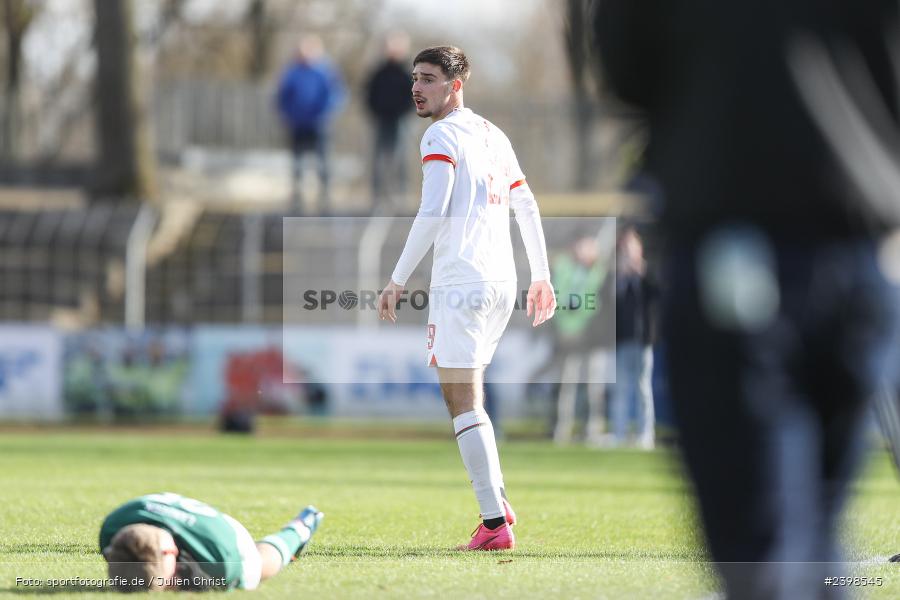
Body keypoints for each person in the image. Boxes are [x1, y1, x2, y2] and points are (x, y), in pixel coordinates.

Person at [596, 1, 900, 598]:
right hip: (864, 247)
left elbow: (627, 68)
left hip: (736, 244)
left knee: (764, 551)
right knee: (812, 538)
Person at [378, 46, 556, 551]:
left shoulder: (441, 134)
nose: (417, 87)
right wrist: (539, 275)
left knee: (461, 400)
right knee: (471, 398)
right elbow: (525, 201)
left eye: (429, 79)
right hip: (500, 283)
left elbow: (432, 211)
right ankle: (496, 501)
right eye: (415, 78)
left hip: (462, 283)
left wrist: (396, 279)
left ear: (455, 86)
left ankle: (494, 523)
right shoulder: (492, 134)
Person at [100, 492, 323, 592]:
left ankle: (300, 528)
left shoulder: (223, 560)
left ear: (173, 551)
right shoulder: (112, 527)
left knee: (261, 562)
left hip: (219, 531)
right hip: (170, 514)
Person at [551, 227, 614, 445]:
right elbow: (560, 298)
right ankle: (562, 430)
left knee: (594, 387)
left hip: (593, 338)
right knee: (566, 386)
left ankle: (593, 430)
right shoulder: (564, 266)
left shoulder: (599, 270)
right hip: (570, 336)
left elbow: (600, 300)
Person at [275, 35, 345, 215]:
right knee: (297, 163)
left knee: (323, 162)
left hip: (319, 124)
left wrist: (323, 114)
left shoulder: (325, 71)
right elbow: (282, 97)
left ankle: (325, 197)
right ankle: (297, 198)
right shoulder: (292, 72)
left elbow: (336, 95)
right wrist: (289, 115)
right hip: (298, 124)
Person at [608, 226, 657, 449]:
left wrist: (641, 274)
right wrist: (621, 277)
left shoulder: (647, 275)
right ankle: (619, 433)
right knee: (621, 389)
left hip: (642, 341)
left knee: (642, 388)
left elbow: (656, 294)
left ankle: (645, 435)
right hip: (621, 340)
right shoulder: (618, 277)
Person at [365, 32, 414, 212]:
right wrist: (375, 111)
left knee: (400, 157)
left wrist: (404, 112)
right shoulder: (378, 72)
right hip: (381, 119)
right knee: (378, 158)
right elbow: (369, 94)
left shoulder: (407, 71)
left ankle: (400, 193)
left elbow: (413, 96)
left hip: (400, 120)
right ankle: (377, 195)